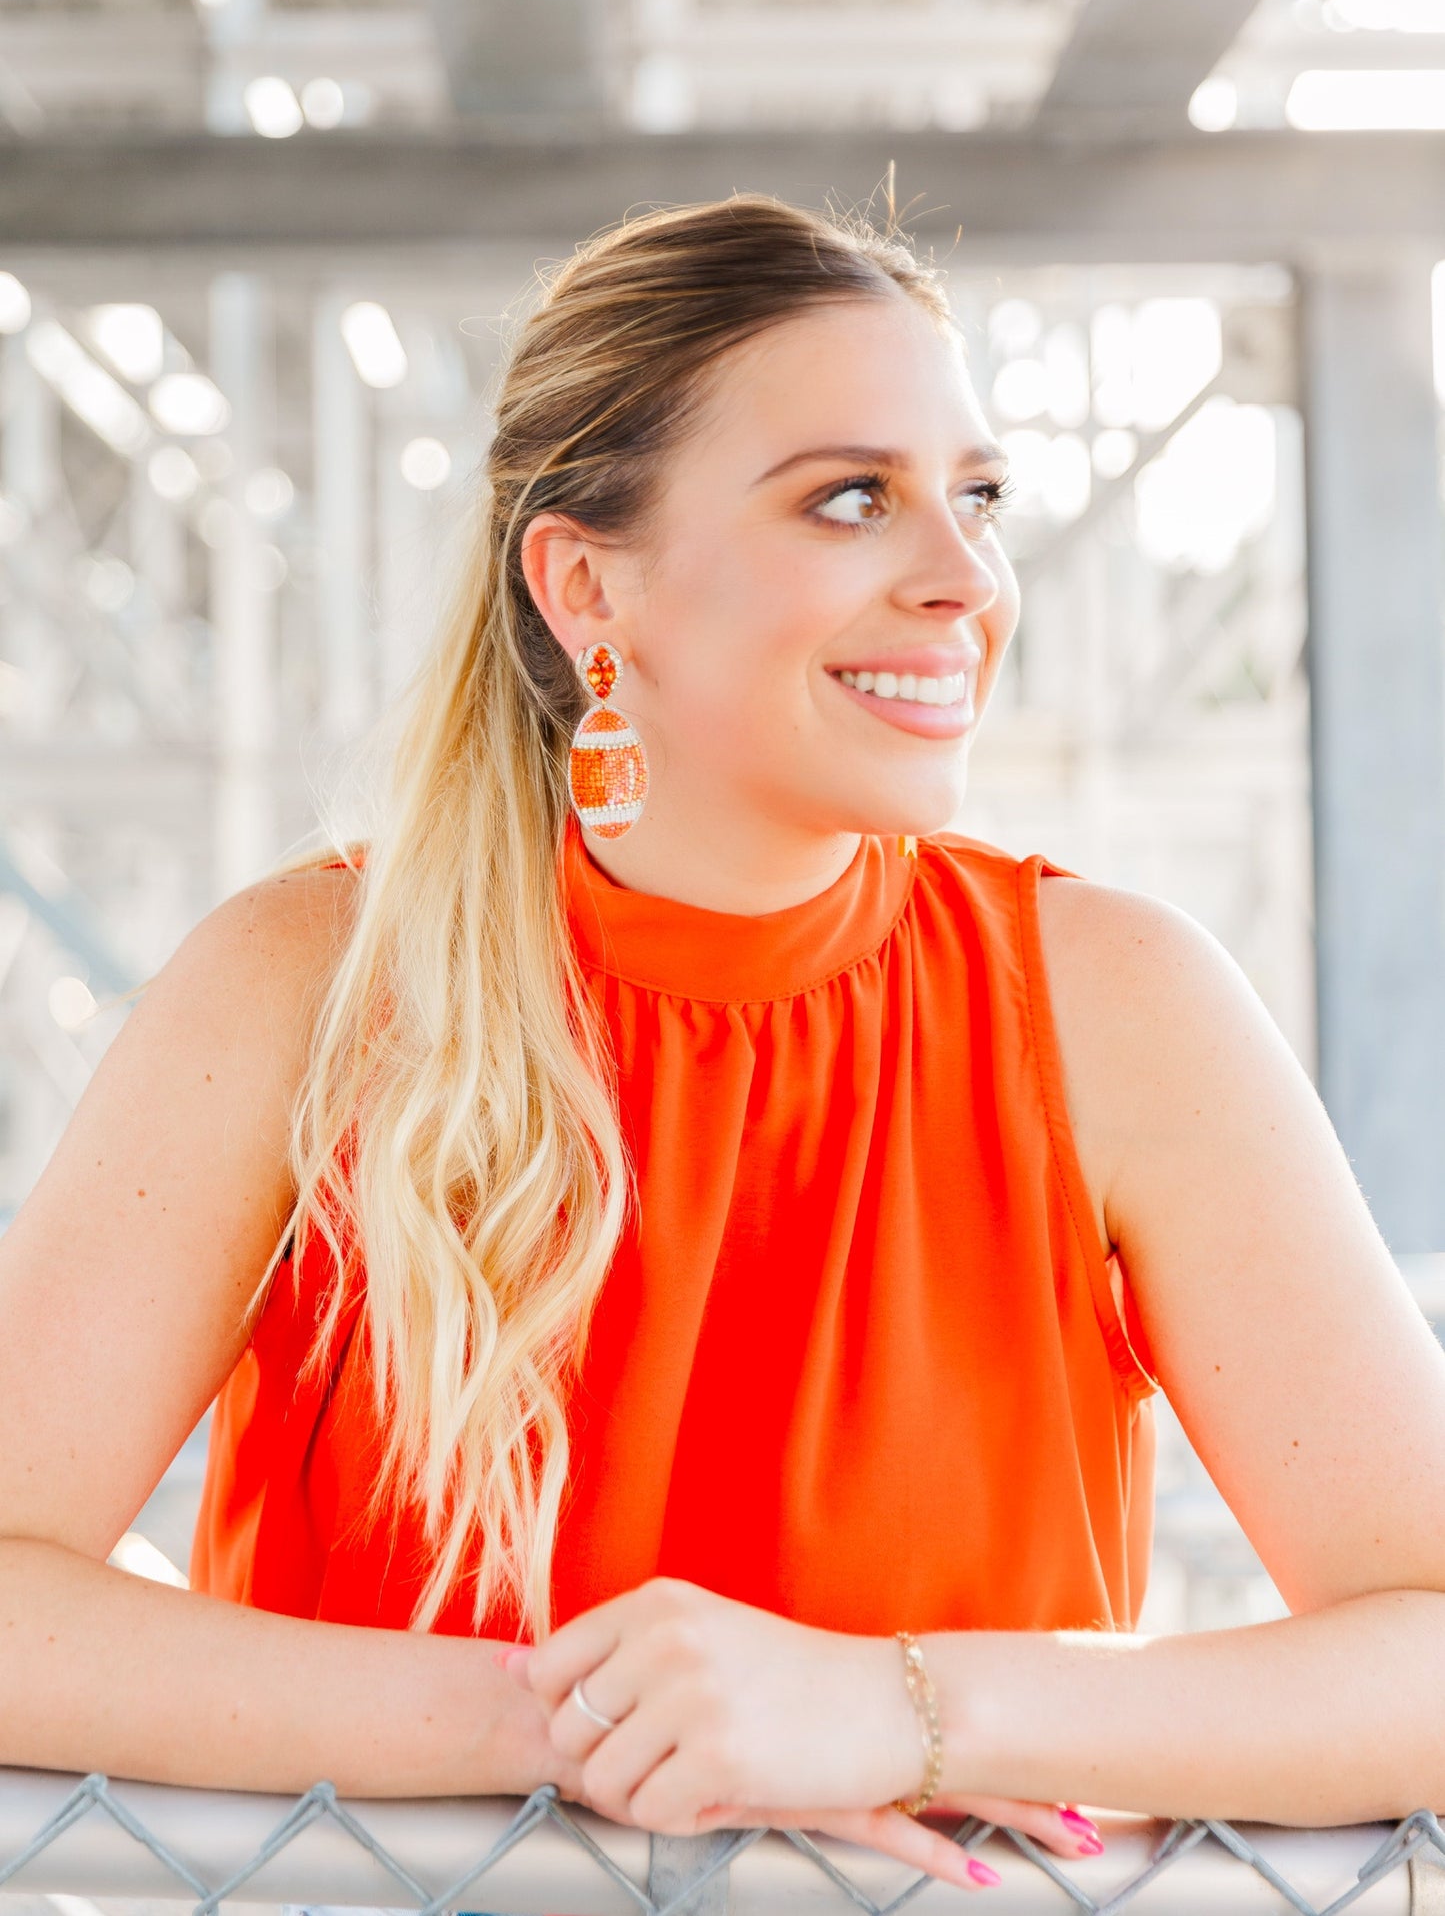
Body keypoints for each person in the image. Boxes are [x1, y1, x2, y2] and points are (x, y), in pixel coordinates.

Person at [2, 198, 1445, 1894]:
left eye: (977, 497)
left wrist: (897, 1710)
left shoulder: (1115, 1007)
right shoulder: (303, 987)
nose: (965, 579)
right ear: (586, 585)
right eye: (851, 498)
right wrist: (583, 1729)